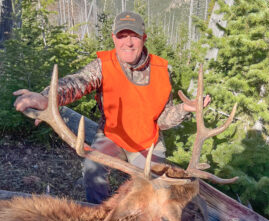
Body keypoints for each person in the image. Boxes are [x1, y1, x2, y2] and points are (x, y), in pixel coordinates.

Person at [14, 11, 210, 204]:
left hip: (147, 142)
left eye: (134, 36)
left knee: (155, 190)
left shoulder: (161, 70)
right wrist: (47, 97)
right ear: (113, 38)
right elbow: (77, 83)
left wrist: (184, 109)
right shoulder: (103, 65)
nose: (128, 42)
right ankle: (99, 214)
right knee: (92, 169)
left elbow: (163, 119)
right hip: (111, 137)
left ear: (144, 38)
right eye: (122, 36)